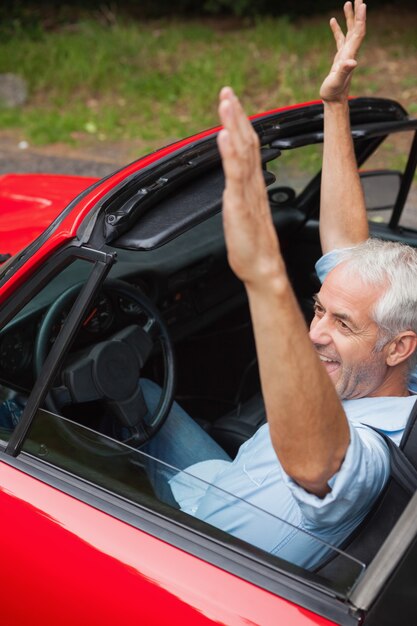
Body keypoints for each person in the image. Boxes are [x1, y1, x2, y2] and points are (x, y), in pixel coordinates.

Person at [139, 0, 417, 569]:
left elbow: (320, 466)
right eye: (319, 311)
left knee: (55, 412)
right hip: (219, 481)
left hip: (190, 539)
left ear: (398, 345)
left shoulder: (369, 457)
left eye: (342, 324)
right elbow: (346, 248)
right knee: (139, 394)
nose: (317, 333)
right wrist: (334, 105)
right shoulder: (402, 378)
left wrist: (263, 272)